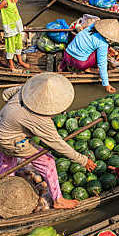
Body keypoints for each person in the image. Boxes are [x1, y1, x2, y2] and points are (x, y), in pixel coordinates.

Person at [0, 73, 97, 209]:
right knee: (48, 162)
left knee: (8, 165)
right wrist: (83, 160)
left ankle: (5, 190)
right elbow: (58, 145)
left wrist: (15, 115)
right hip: (13, 141)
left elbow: (5, 94)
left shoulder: (25, 91)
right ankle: (58, 200)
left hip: (2, 127)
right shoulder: (40, 121)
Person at [59, 19, 119, 94]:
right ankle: (88, 69)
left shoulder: (89, 28)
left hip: (67, 53)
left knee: (81, 43)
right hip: (79, 63)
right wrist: (107, 85)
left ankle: (62, 66)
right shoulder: (103, 44)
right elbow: (102, 64)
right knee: (102, 53)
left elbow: (95, 24)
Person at [0, 0, 30, 71]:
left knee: (18, 44)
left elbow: (15, 1)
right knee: (10, 47)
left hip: (16, 27)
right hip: (10, 28)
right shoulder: (4, 1)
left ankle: (20, 61)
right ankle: (11, 65)